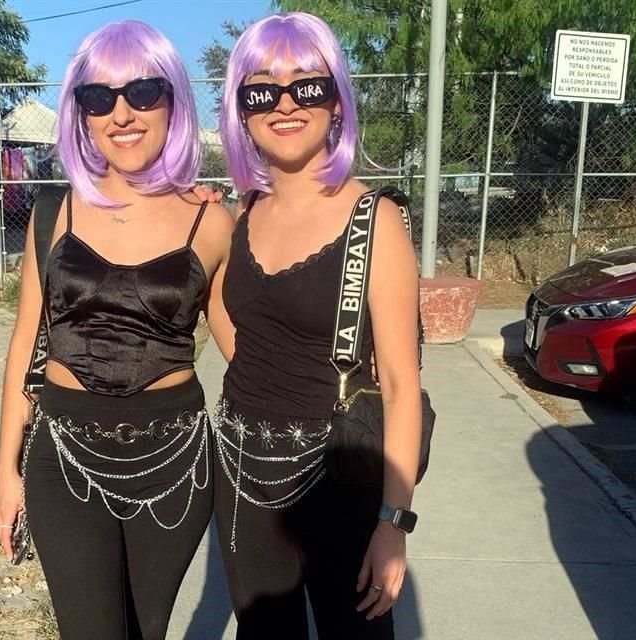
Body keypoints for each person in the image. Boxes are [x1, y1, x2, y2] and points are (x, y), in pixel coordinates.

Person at [0, 20, 233, 640]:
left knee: (144, 631)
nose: (121, 113)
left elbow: (246, 351)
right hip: (64, 457)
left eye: (143, 92)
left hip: (176, 463)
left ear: (173, 101)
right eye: (98, 98)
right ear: (81, 114)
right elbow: (25, 344)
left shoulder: (212, 221)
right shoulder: (52, 211)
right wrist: (5, 472)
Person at [211, 12, 423, 639]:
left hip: (339, 479)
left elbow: (403, 387)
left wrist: (394, 522)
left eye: (307, 85)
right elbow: (230, 320)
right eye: (261, 90)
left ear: (336, 102)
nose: (284, 103)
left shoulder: (374, 220)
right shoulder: (240, 212)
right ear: (240, 110)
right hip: (243, 473)